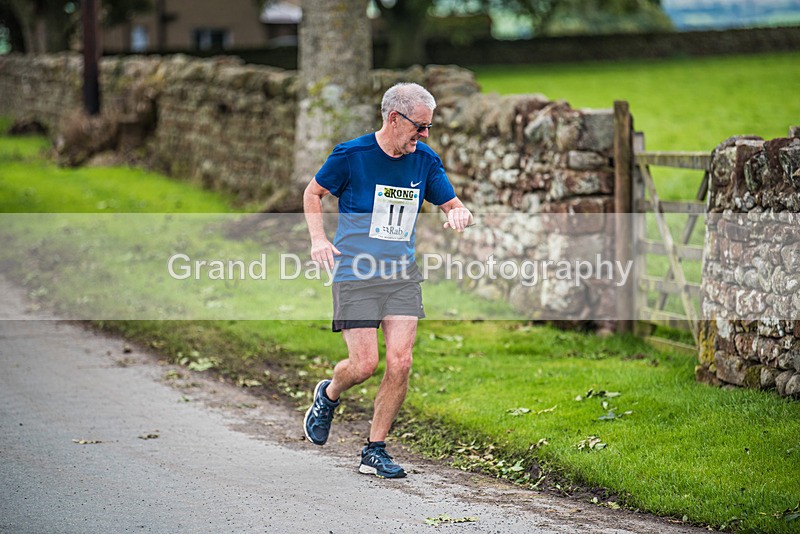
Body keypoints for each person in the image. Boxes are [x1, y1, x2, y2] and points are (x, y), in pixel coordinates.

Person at [302, 82, 472, 479]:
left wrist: (459, 213)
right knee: (363, 365)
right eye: (420, 126)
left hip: (400, 276)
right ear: (394, 118)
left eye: (429, 127)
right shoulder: (351, 155)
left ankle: (373, 450)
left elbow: (452, 203)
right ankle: (328, 394)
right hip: (356, 274)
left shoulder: (424, 160)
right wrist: (318, 239)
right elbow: (313, 193)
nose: (425, 135)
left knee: (401, 361)